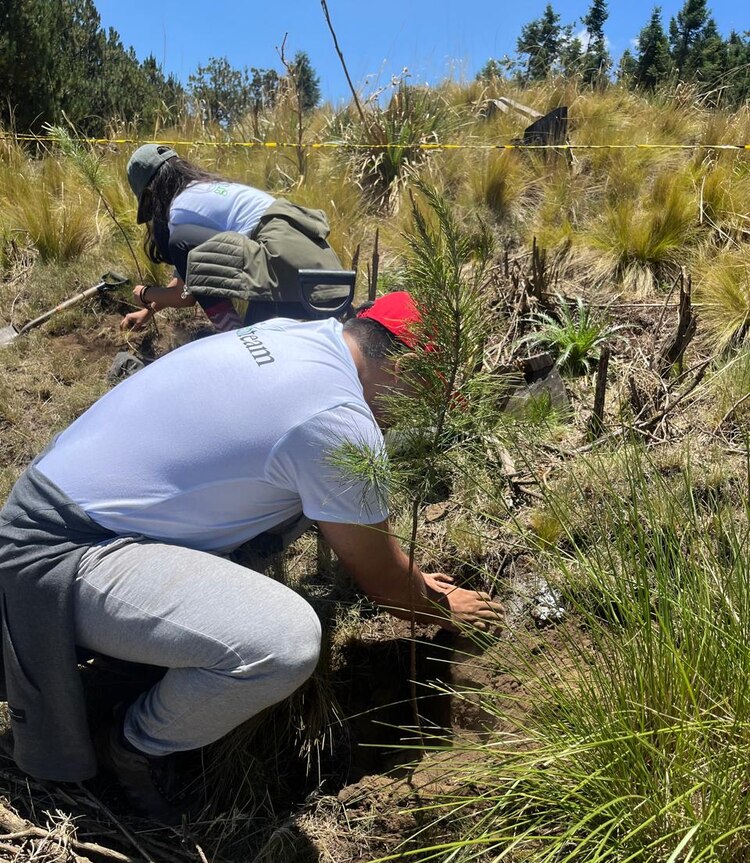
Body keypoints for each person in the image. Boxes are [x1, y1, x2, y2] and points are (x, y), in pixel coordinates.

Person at [0, 291, 503, 822]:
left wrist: (411, 575)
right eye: (428, 392)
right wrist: (439, 607)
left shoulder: (300, 336)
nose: (418, 412)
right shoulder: (334, 419)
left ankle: (152, 658)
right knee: (282, 644)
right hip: (60, 552)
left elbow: (364, 540)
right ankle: (131, 745)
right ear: (406, 365)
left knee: (299, 499)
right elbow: (386, 587)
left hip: (65, 505)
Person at [121, 143, 349, 334]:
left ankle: (233, 336)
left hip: (295, 279)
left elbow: (184, 296)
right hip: (325, 284)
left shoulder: (180, 215)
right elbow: (185, 281)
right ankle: (244, 335)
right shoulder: (204, 193)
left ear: (151, 195)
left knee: (253, 350)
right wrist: (148, 310)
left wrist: (144, 293)